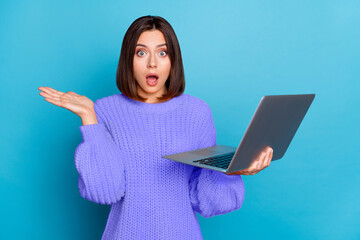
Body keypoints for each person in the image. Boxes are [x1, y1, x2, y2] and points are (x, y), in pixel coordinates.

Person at [38, 15, 273, 240]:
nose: (152, 63)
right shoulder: (105, 110)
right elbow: (105, 191)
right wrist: (89, 118)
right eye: (141, 53)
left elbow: (205, 199)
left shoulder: (197, 112)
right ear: (128, 59)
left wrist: (232, 169)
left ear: (173, 60)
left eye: (162, 53)